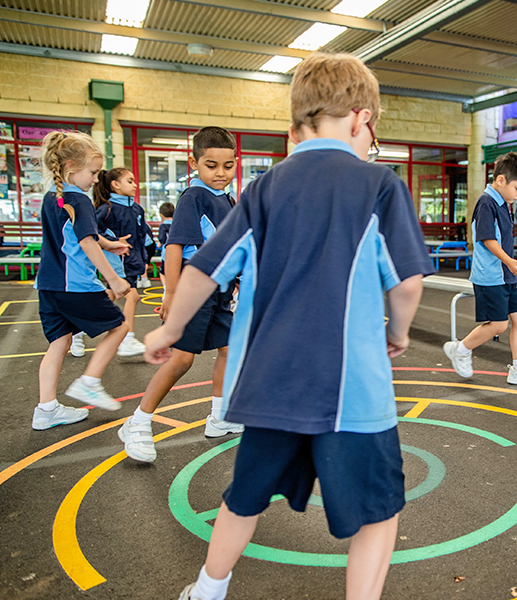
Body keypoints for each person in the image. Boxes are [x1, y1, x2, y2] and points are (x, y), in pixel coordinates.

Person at [143, 52, 431, 600]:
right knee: (378, 512)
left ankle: (208, 589)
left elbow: (205, 268)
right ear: (362, 117)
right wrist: (398, 331)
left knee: (244, 496)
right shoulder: (379, 185)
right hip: (353, 393)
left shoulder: (263, 189)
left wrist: (168, 329)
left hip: (271, 385)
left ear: (297, 125)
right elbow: (407, 284)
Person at [117, 126, 243, 462]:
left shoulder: (228, 200)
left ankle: (219, 418)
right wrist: (171, 293)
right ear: (195, 163)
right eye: (211, 165)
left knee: (229, 350)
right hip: (194, 289)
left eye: (228, 165)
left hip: (218, 292)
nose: (220, 173)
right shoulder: (194, 197)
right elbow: (175, 247)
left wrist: (239, 279)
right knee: (182, 359)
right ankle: (138, 421)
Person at [32, 131, 132, 430]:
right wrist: (113, 279)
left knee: (60, 342)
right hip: (74, 284)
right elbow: (86, 242)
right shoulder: (79, 199)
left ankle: (46, 409)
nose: (95, 178)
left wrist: (109, 243)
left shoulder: (55, 198)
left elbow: (81, 236)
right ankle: (89, 381)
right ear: (72, 167)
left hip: (48, 284)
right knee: (120, 327)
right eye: (93, 172)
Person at [443, 151, 517, 387]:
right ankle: (460, 349)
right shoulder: (486, 203)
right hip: (491, 276)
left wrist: (510, 266)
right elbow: (488, 240)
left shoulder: (503, 202)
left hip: (506, 275)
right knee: (498, 324)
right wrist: (510, 261)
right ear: (501, 180)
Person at [75, 167, 152, 358]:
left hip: (133, 262)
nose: (135, 185)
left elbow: (144, 236)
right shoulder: (106, 209)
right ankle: (127, 339)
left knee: (109, 296)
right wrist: (113, 241)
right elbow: (93, 233)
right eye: (130, 181)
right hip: (116, 262)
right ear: (115, 184)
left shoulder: (137, 209)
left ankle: (78, 328)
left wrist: (145, 259)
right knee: (132, 296)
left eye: (135, 181)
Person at [156, 201, 174, 290]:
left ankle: (166, 289)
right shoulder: (176, 224)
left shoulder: (163, 226)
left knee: (163, 272)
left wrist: (158, 245)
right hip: (178, 253)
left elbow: (161, 239)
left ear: (161, 215)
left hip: (166, 253)